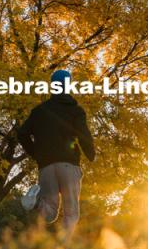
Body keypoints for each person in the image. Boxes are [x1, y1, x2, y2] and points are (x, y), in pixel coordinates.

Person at [17, 69, 95, 239]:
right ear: (68, 86)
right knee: (71, 212)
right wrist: (90, 153)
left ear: (52, 86)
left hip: (46, 166)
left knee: (50, 212)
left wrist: (36, 154)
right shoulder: (76, 111)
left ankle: (36, 201)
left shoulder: (39, 111)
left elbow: (21, 133)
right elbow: (83, 134)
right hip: (69, 165)